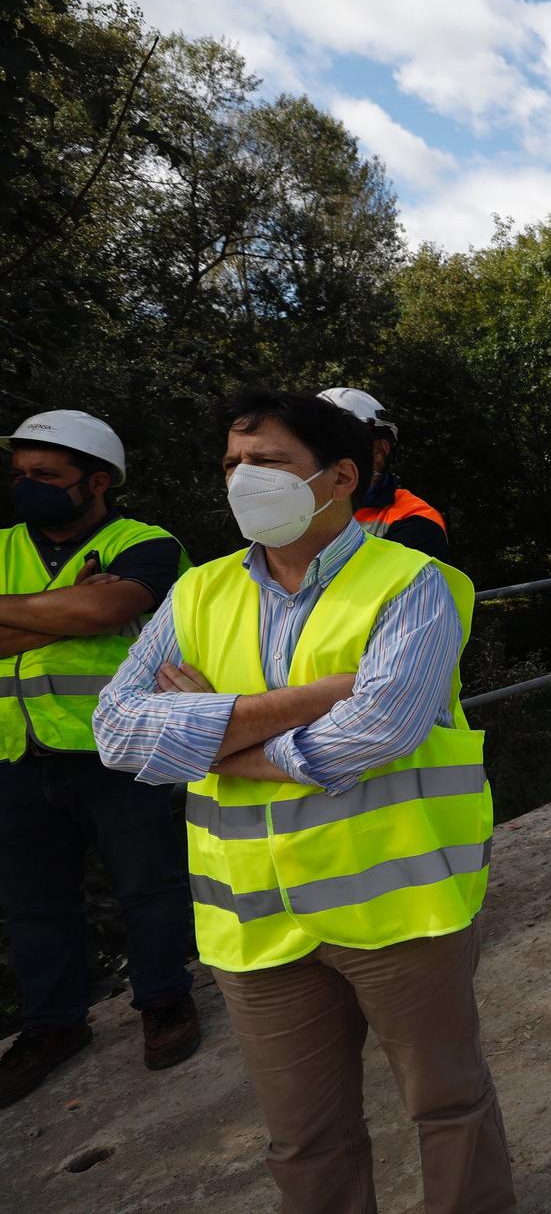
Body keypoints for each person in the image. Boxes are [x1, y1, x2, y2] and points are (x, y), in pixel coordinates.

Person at [92, 389, 514, 1211]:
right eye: (232, 464)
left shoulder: (413, 583)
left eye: (268, 462)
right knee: (302, 1136)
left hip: (399, 906)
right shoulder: (198, 592)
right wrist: (309, 697)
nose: (243, 479)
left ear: (337, 477)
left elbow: (374, 733)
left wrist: (203, 737)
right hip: (254, 919)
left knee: (448, 1106)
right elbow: (115, 731)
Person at [0, 411, 200, 1107]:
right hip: (16, 752)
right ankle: (54, 1025)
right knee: (33, 902)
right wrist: (73, 605)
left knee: (148, 883)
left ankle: (164, 1000)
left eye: (45, 476)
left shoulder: (145, 542)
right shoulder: (1, 547)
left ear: (97, 480)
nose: (26, 486)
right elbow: (87, 614)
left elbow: (109, 610)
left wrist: (83, 609)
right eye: (20, 473)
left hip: (119, 744)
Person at [317, 387, 448, 558]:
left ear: (378, 451)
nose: (320, 452)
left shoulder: (416, 520)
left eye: (336, 440)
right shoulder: (296, 507)